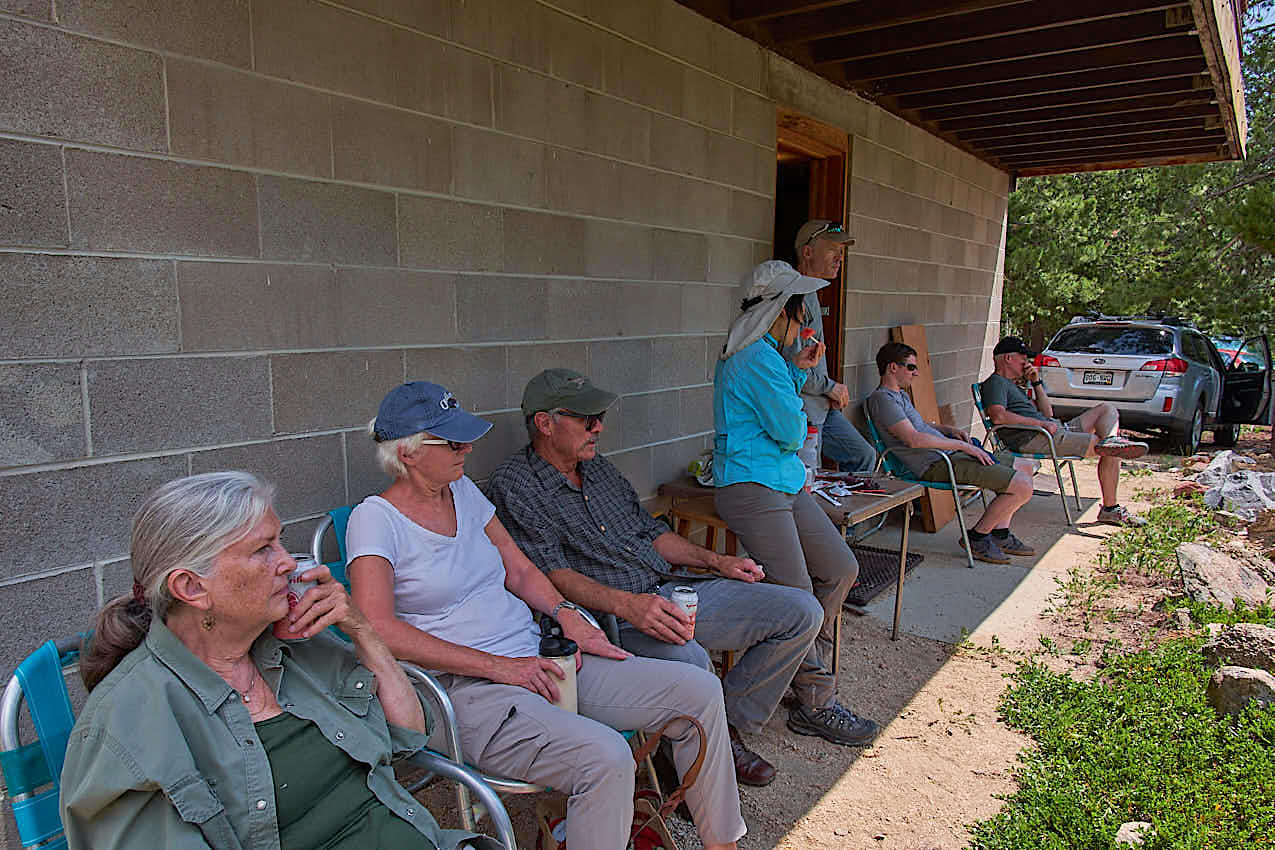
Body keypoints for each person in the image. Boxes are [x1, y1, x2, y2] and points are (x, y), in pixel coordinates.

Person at [345, 382, 746, 850]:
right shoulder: (375, 519)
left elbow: (518, 569)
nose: (467, 448)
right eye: (452, 442)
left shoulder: (463, 495)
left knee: (698, 689)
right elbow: (378, 631)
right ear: (409, 453)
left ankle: (723, 844)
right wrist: (499, 668)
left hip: (537, 659)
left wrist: (567, 613)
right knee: (607, 758)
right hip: (471, 693)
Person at [61, 471, 493, 850]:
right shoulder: (128, 726)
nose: (288, 562)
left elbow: (408, 736)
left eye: (280, 541)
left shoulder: (294, 648)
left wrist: (362, 630)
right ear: (191, 588)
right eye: (262, 549)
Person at [485, 368, 826, 788]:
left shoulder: (598, 469)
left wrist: (717, 561)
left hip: (666, 588)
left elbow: (653, 533)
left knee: (801, 611)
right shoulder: (517, 483)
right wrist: (630, 605)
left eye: (599, 417)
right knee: (696, 667)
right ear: (544, 423)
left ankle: (724, 726)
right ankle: (692, 754)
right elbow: (551, 575)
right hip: (612, 620)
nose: (599, 427)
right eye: (586, 419)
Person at [712, 260, 879, 747]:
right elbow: (790, 430)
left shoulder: (765, 355)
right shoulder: (754, 359)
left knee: (841, 569)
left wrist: (795, 368)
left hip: (781, 485)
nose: (806, 326)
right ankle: (804, 701)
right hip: (751, 488)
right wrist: (793, 379)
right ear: (776, 315)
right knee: (799, 597)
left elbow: (787, 417)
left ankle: (793, 672)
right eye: (799, 313)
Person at [866, 341, 1036, 564]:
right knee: (1022, 486)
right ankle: (977, 537)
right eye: (910, 367)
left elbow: (920, 426)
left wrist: (948, 430)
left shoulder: (901, 397)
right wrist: (963, 446)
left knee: (1025, 467)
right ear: (892, 367)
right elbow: (913, 439)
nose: (916, 373)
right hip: (935, 464)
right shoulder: (883, 399)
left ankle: (1000, 534)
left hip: (947, 454)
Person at [980, 336, 1148, 527]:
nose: (1026, 362)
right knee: (1110, 450)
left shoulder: (1013, 386)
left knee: (1106, 410)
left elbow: (1047, 412)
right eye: (1023, 357)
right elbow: (998, 417)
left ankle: (1110, 440)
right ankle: (1110, 509)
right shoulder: (996, 383)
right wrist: (1041, 424)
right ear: (1008, 358)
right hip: (1036, 437)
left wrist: (1036, 382)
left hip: (1054, 429)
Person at [782, 220, 877, 473]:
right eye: (832, 249)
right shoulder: (794, 295)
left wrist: (828, 392)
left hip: (822, 404)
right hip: (805, 410)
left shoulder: (811, 291)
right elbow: (794, 366)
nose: (839, 258)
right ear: (808, 252)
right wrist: (830, 387)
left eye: (842, 252)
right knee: (811, 480)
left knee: (864, 456)